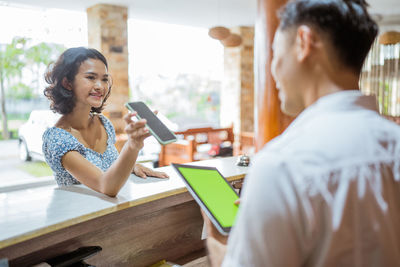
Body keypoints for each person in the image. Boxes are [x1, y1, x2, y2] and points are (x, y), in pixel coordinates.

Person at [203, 0, 400, 266]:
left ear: (303, 42)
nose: (272, 70)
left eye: (274, 52)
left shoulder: (281, 165)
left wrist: (219, 246)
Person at [42, 47, 168, 197]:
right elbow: (106, 186)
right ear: (67, 83)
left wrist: (131, 166)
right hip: (82, 218)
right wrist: (132, 145)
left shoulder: (103, 123)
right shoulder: (57, 139)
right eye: (91, 77)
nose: (100, 86)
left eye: (104, 79)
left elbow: (107, 167)